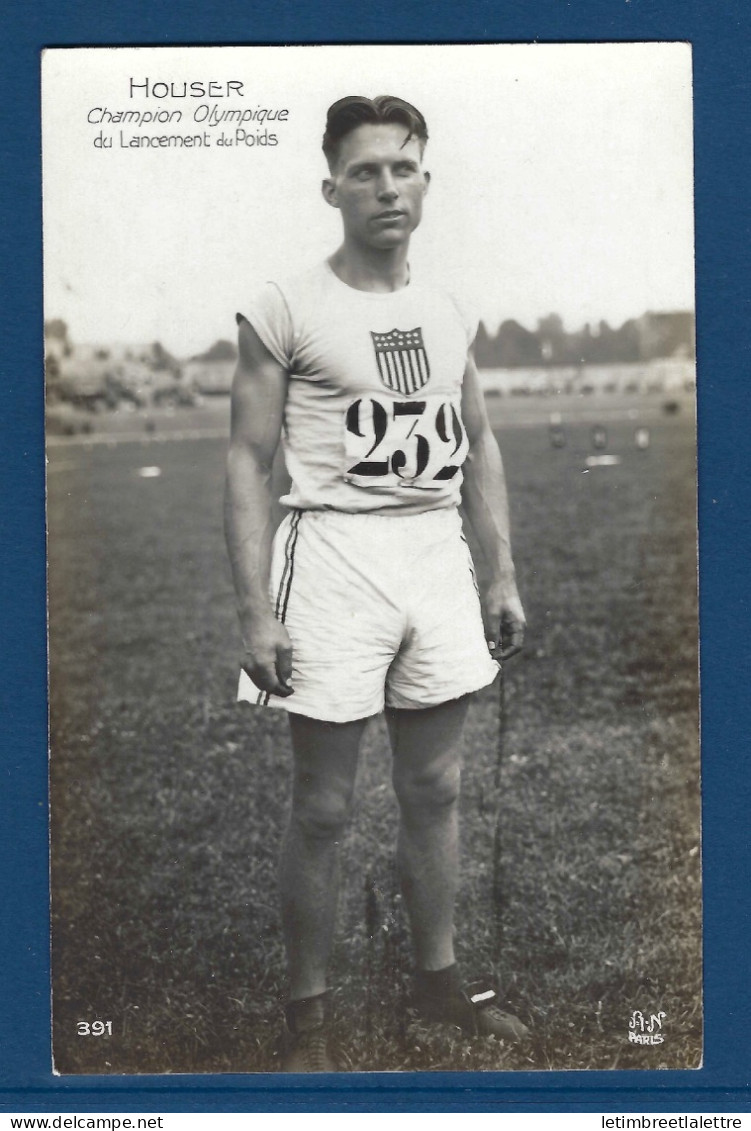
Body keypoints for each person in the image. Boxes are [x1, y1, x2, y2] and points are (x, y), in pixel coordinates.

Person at [224, 94, 528, 1072]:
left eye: (402, 167)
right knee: (323, 805)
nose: (385, 185)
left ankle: (436, 981)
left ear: (425, 184)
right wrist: (251, 609)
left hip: (431, 556)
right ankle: (306, 1015)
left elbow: (476, 442)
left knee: (435, 786)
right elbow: (243, 459)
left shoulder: (445, 309)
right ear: (331, 188)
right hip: (333, 559)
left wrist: (499, 575)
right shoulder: (285, 305)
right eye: (364, 171)